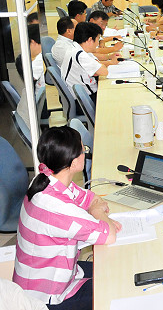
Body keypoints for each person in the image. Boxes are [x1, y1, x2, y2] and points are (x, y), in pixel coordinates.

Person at [13, 126, 121, 308]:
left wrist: (98, 214)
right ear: (72, 163)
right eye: (83, 150)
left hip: (59, 277)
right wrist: (100, 214)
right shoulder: (56, 207)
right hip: (47, 299)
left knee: (116, 270)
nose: (85, 153)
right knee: (116, 287)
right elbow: (109, 234)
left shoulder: (46, 180)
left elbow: (90, 198)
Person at [61, 22, 109, 103]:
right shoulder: (80, 55)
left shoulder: (75, 47)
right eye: (98, 39)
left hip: (79, 95)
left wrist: (97, 69)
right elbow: (104, 71)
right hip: (83, 99)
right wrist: (98, 69)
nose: (98, 44)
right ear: (90, 40)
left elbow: (98, 68)